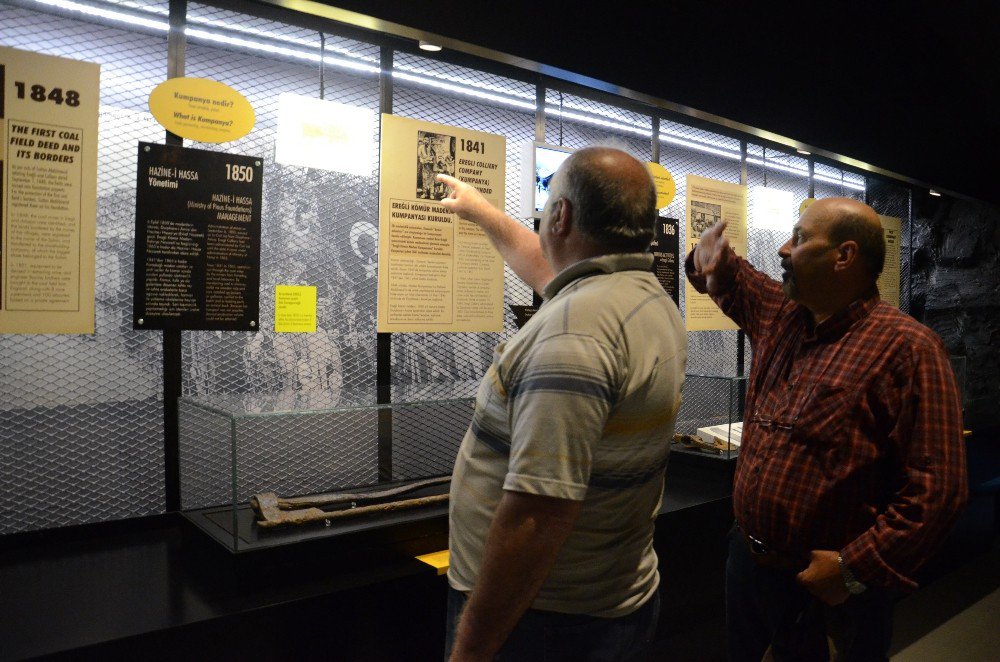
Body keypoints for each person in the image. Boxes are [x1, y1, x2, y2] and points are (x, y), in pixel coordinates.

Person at [686, 198, 968, 661]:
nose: (781, 249)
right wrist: (711, 261)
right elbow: (731, 278)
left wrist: (852, 570)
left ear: (844, 256)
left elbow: (938, 491)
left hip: (829, 590)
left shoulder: (909, 349)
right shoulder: (783, 315)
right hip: (748, 566)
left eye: (798, 239)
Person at [435, 146, 687, 662]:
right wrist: (480, 210)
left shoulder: (575, 334)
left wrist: (472, 649)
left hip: (544, 625)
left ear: (563, 215)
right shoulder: (640, 296)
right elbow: (547, 268)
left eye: (550, 200)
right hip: (601, 605)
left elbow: (536, 516)